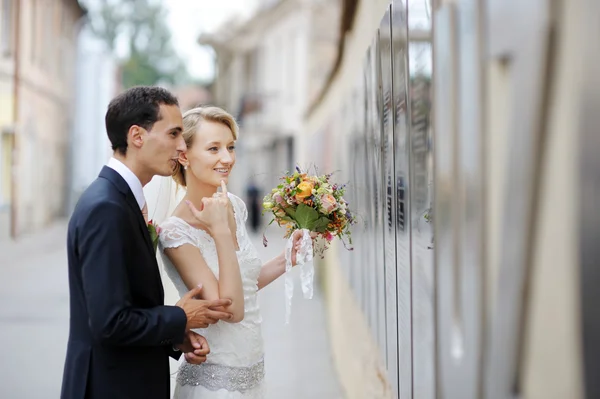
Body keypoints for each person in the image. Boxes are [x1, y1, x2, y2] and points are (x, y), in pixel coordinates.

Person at [61, 87, 234, 399]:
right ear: (137, 136)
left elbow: (129, 305)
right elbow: (109, 322)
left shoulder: (120, 200)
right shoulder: (106, 208)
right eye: (174, 133)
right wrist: (180, 317)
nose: (182, 146)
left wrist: (174, 336)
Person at [158, 106, 303, 398]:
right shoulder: (176, 232)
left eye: (230, 147)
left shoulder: (234, 205)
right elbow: (230, 308)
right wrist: (220, 231)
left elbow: (243, 284)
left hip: (253, 371)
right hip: (214, 381)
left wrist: (287, 258)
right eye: (214, 148)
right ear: (184, 156)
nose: (227, 158)